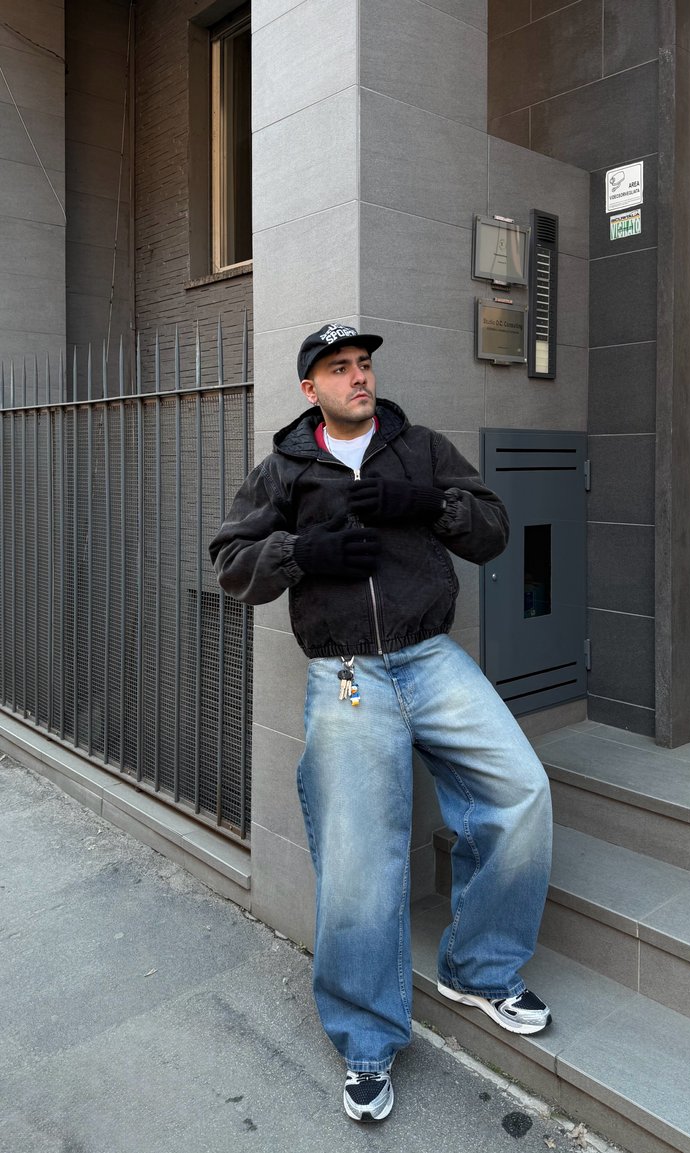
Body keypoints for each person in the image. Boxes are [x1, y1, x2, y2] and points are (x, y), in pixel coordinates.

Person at [209, 323, 553, 1123]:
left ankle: (481, 967)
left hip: (432, 660)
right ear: (311, 389)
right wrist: (303, 552)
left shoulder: (419, 445)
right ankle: (366, 1039)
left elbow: (494, 527)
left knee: (522, 789)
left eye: (364, 365)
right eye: (340, 368)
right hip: (348, 675)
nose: (359, 377)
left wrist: (431, 503)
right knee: (361, 860)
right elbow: (230, 558)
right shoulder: (285, 468)